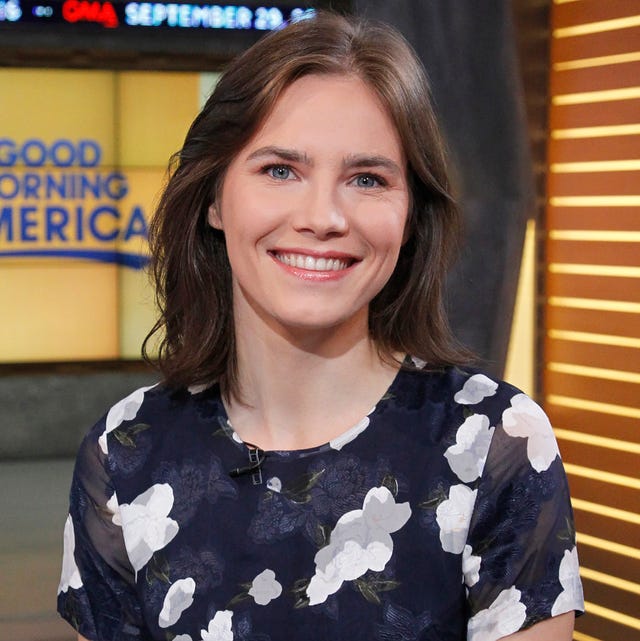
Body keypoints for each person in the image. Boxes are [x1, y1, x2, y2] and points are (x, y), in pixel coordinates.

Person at [57, 11, 584, 641]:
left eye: (367, 179)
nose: (324, 216)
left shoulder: (495, 443)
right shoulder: (125, 452)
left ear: (411, 215)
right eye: (280, 170)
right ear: (214, 199)